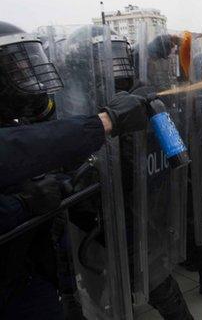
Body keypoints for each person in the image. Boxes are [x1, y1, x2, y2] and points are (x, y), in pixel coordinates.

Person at [0, 21, 151, 320]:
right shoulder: (66, 108)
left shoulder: (24, 116)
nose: (27, 76)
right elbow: (22, 148)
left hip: (34, 267)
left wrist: (65, 182)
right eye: (15, 69)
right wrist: (21, 206)